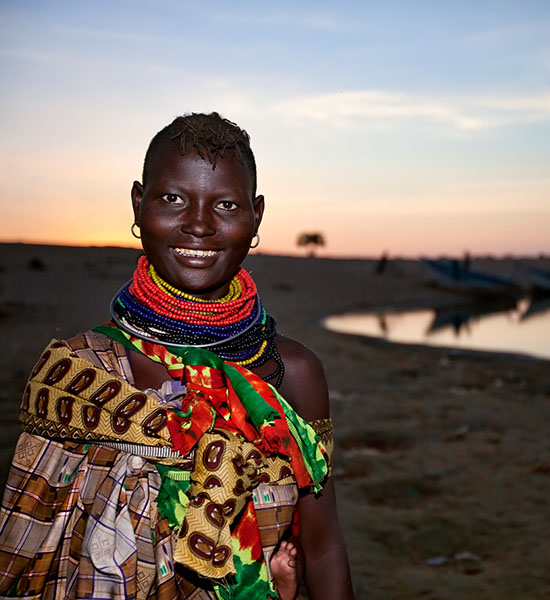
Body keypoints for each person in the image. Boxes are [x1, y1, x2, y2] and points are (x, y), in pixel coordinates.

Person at [0, 113, 353, 599]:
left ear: (256, 217)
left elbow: (324, 546)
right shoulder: (81, 371)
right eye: (172, 199)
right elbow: (33, 540)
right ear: (138, 203)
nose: (199, 225)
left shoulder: (293, 373)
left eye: (226, 204)